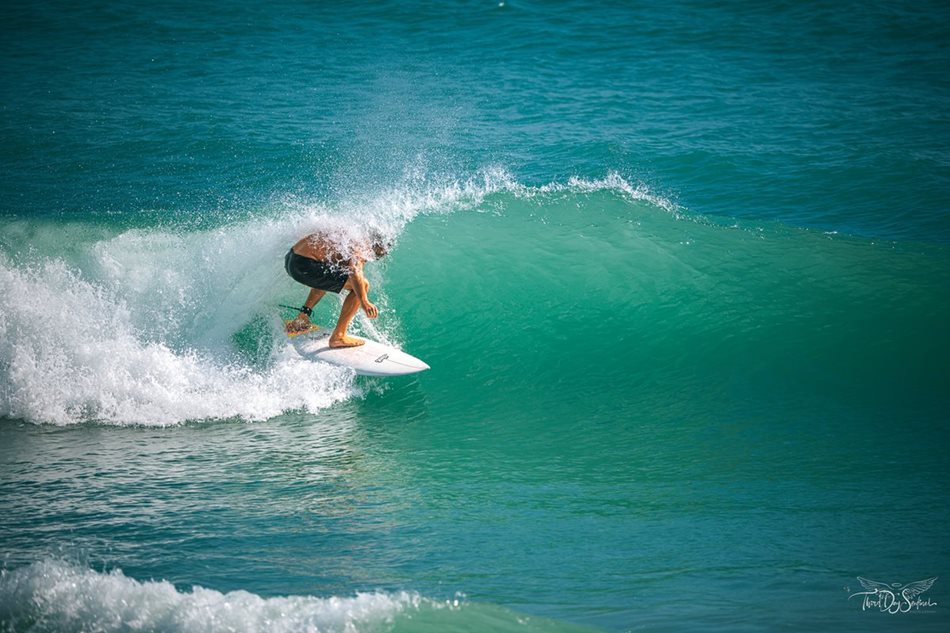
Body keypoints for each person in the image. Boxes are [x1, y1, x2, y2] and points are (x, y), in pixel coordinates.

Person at [284, 231, 387, 348]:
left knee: (328, 276)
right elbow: (355, 270)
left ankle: (301, 319)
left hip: (292, 259)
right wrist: (364, 301)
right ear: (376, 245)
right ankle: (338, 336)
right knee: (363, 285)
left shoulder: (349, 235)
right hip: (304, 266)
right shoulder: (362, 246)